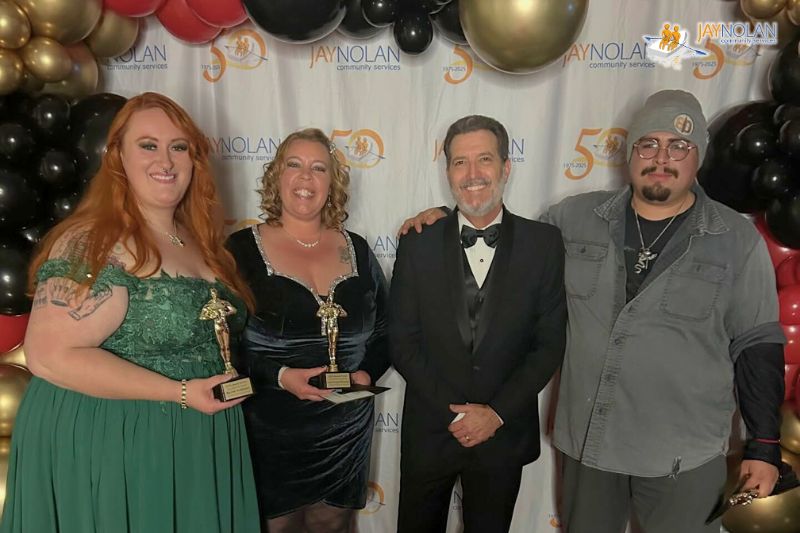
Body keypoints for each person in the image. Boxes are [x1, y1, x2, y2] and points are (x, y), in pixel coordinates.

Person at [399, 91, 785, 533]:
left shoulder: (736, 238)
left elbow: (758, 343)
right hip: (590, 447)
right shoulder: (571, 220)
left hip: (683, 454)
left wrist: (764, 444)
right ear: (630, 153)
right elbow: (499, 234)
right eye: (648, 145)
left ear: (698, 156)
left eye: (678, 146)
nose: (661, 158)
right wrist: (442, 223)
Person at [0, 92, 260, 532]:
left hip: (195, 438)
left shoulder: (197, 241)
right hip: (118, 444)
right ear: (117, 156)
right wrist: (178, 393)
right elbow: (48, 355)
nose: (166, 159)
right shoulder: (93, 240)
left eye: (179, 147)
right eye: (148, 145)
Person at [390, 115, 567, 533]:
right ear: (447, 171)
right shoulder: (417, 242)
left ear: (506, 167)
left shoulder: (544, 244)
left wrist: (496, 414)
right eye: (459, 162)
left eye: (484, 160)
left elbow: (549, 343)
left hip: (502, 436)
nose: (472, 175)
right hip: (431, 431)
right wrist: (456, 415)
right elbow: (402, 342)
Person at [226, 128, 390, 533]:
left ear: (331, 182)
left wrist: (367, 373)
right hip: (269, 428)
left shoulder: (359, 249)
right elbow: (220, 344)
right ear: (275, 176)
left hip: (344, 430)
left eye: (318, 168)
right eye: (293, 165)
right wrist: (279, 376)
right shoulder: (239, 250)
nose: (305, 178)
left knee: (332, 526)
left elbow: (387, 329)